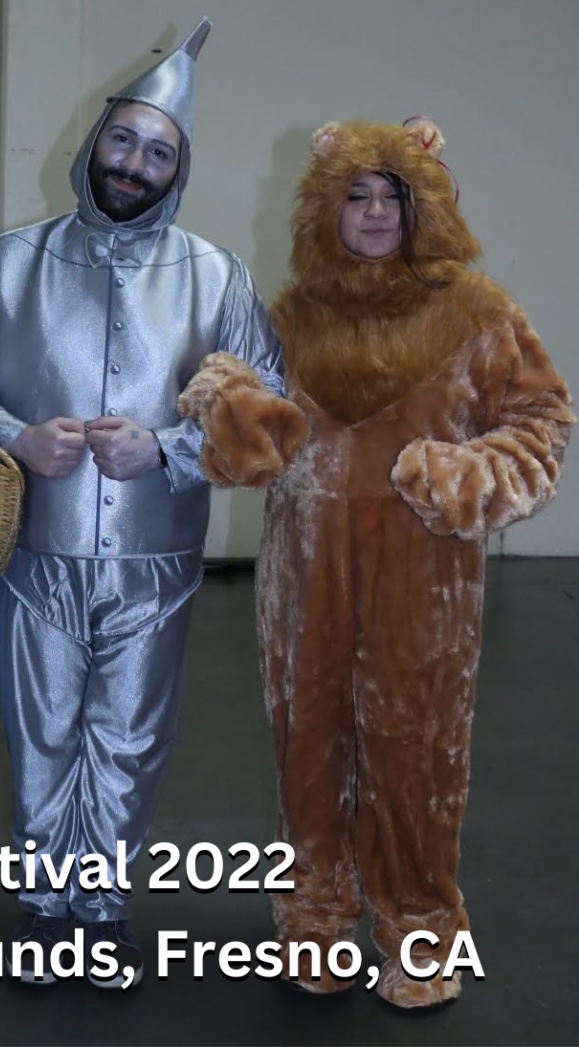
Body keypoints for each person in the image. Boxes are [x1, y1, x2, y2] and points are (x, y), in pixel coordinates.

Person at [0, 19, 298, 987]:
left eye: (159, 152)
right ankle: (45, 908)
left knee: (131, 736)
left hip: (157, 560)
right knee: (40, 732)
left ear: (179, 168)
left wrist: (167, 447)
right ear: (94, 143)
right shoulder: (12, 261)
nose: (134, 164)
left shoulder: (216, 277)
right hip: (35, 552)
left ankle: (102, 907)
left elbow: (270, 415)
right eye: (124, 141)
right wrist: (9, 432)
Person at [243, 119, 573, 1008]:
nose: (377, 212)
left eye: (395, 195)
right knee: (307, 748)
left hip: (424, 582)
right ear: (325, 209)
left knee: (415, 757)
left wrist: (471, 474)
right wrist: (232, 418)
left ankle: (420, 929)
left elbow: (542, 422)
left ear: (427, 205)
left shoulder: (478, 312)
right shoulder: (291, 317)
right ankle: (314, 914)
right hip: (304, 578)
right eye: (357, 194)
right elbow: (262, 429)